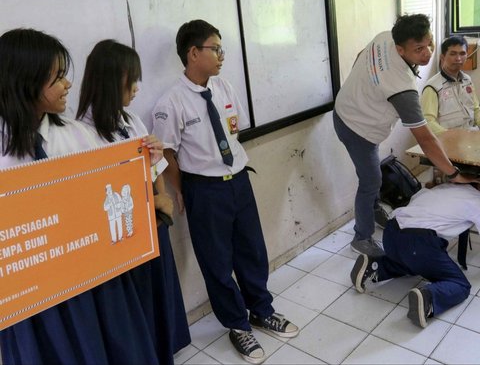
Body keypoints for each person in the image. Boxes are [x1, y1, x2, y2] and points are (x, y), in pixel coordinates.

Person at [0, 28, 170, 365]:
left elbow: (110, 200)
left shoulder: (79, 137)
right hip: (34, 302)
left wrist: (146, 171)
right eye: (58, 77)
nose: (67, 84)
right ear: (25, 80)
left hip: (94, 283)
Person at [151, 19, 299, 364]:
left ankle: (262, 310)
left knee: (252, 251)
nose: (221, 56)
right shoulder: (170, 102)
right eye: (215, 49)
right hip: (204, 189)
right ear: (193, 53)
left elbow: (232, 134)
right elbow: (167, 153)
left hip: (238, 182)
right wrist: (182, 189)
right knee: (216, 262)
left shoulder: (225, 88)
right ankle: (237, 325)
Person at [76, 39, 191, 358]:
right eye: (131, 79)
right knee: (135, 310)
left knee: (160, 295)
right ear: (111, 79)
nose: (137, 88)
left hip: (154, 225)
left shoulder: (130, 120)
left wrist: (163, 198)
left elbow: (153, 169)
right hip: (122, 236)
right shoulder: (82, 133)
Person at [333, 14, 476, 258]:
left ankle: (374, 208)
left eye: (429, 44)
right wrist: (453, 174)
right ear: (400, 49)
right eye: (418, 49)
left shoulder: (384, 37)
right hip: (354, 126)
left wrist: (365, 89)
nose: (427, 53)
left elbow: (360, 55)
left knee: (372, 176)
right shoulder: (403, 88)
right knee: (370, 180)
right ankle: (361, 237)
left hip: (350, 108)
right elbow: (425, 138)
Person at [350, 182, 479, 328]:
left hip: (391, 233)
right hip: (418, 243)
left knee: (412, 263)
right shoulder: (476, 200)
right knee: (460, 284)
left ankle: (375, 265)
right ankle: (428, 298)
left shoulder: (445, 186)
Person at [421, 35, 480, 135]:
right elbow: (428, 122)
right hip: (448, 142)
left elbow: (476, 109)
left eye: (462, 53)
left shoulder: (467, 80)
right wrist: (450, 136)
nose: (458, 58)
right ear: (443, 57)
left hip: (471, 137)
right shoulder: (432, 87)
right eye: (453, 54)